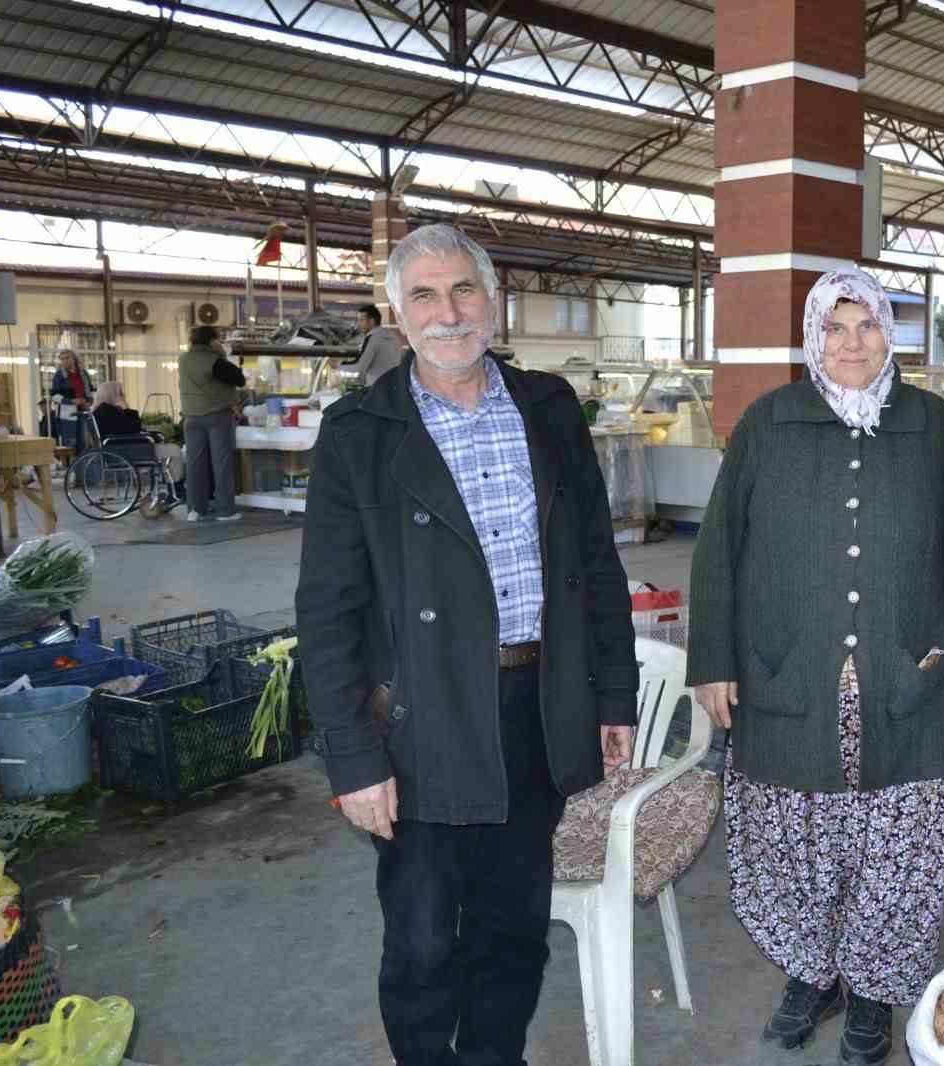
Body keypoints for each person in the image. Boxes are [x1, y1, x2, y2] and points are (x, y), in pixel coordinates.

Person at [294, 224, 639, 1066]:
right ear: (398, 314)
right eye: (424, 295)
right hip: (419, 719)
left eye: (464, 291)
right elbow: (328, 610)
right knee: (420, 942)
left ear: (491, 300)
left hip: (535, 705)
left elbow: (595, 565)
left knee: (513, 931)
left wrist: (611, 697)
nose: (448, 314)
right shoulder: (359, 433)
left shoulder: (549, 408)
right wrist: (354, 758)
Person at [687, 268, 944, 1065]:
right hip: (786, 671)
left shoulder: (936, 426)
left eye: (867, 326)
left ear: (890, 335)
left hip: (905, 669)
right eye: (835, 328)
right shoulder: (767, 422)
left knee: (894, 842)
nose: (852, 343)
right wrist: (714, 660)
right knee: (789, 839)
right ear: (813, 336)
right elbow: (717, 552)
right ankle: (814, 973)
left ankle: (872, 987)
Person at [178, 325, 246, 522]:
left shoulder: (183, 359)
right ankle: (226, 510)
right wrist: (222, 355)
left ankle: (195, 510)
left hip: (190, 418)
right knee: (221, 463)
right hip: (216, 416)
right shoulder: (215, 361)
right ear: (212, 341)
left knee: (194, 464)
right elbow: (239, 379)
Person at [91, 381, 186, 484]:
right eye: (120, 393)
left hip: (124, 449)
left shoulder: (103, 410)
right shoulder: (106, 411)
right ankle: (175, 487)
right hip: (128, 451)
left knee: (169, 451)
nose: (124, 396)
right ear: (112, 394)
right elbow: (133, 428)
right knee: (174, 450)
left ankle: (169, 485)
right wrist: (126, 406)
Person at [49, 350, 94, 451]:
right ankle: (71, 466)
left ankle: (83, 464)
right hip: (67, 414)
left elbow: (90, 390)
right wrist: (71, 401)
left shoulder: (84, 374)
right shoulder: (59, 375)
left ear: (74, 359)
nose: (65, 361)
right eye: (62, 359)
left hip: (83, 410)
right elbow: (54, 396)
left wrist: (89, 402)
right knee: (70, 443)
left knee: (85, 441)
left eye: (67, 358)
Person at [351, 303, 403, 386]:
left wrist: (338, 365)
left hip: (374, 387)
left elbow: (360, 365)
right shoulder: (393, 337)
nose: (359, 324)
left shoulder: (372, 338)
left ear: (372, 321)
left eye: (361, 320)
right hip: (392, 385)